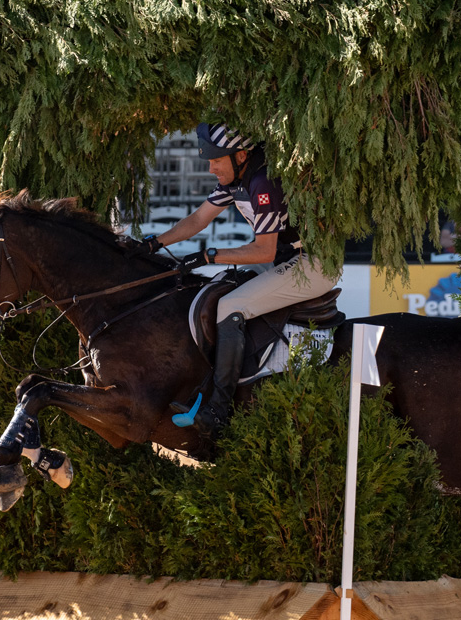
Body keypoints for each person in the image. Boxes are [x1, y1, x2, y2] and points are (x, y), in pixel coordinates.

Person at [129, 122, 340, 435]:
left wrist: (209, 255)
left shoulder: (263, 182)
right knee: (216, 289)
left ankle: (219, 411)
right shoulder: (236, 178)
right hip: (286, 259)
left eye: (216, 160)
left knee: (231, 306)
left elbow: (264, 250)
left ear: (241, 155)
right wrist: (154, 243)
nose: (211, 168)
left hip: (314, 264)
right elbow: (198, 219)